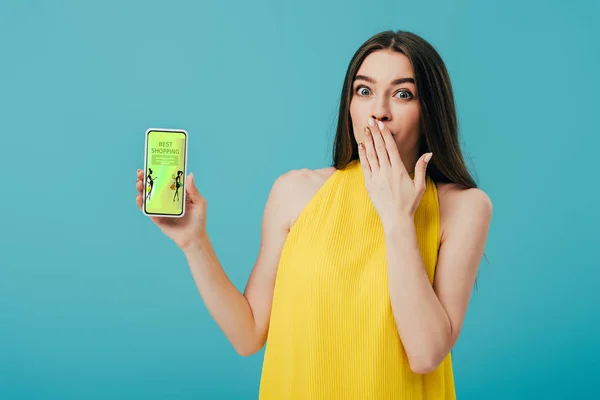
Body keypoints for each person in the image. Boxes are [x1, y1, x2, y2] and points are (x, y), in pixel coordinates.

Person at [134, 30, 493, 399]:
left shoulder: (464, 207)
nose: (379, 110)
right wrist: (194, 242)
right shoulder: (294, 192)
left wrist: (398, 220)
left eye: (403, 93)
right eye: (364, 90)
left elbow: (426, 353)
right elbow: (248, 334)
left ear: (430, 109)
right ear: (349, 105)